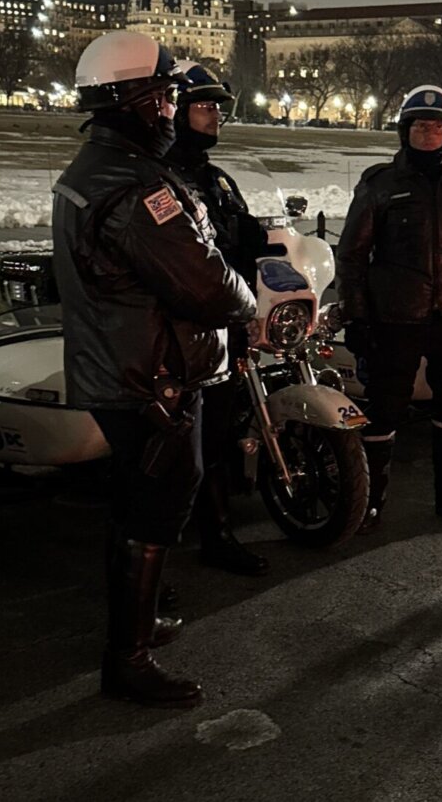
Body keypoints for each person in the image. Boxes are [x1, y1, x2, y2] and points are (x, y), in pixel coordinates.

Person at [52, 31, 256, 707]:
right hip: (152, 373)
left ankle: (137, 626)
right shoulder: (136, 187)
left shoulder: (97, 169)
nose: (171, 107)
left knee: (138, 500)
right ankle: (128, 655)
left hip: (125, 364)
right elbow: (204, 283)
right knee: (158, 500)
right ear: (130, 102)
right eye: (162, 95)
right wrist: (246, 296)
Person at [336, 84, 442, 534]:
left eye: (436, 126)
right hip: (396, 316)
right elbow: (352, 255)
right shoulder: (380, 185)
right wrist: (356, 316)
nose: (427, 133)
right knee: (384, 410)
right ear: (403, 131)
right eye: (418, 126)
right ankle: (369, 503)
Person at [163, 61, 271, 575]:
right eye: (205, 107)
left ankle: (217, 533)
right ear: (178, 111)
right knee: (171, 451)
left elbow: (240, 249)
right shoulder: (159, 176)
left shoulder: (217, 180)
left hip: (222, 329)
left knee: (220, 436)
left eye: (217, 107)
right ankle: (155, 562)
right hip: (176, 335)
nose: (216, 116)